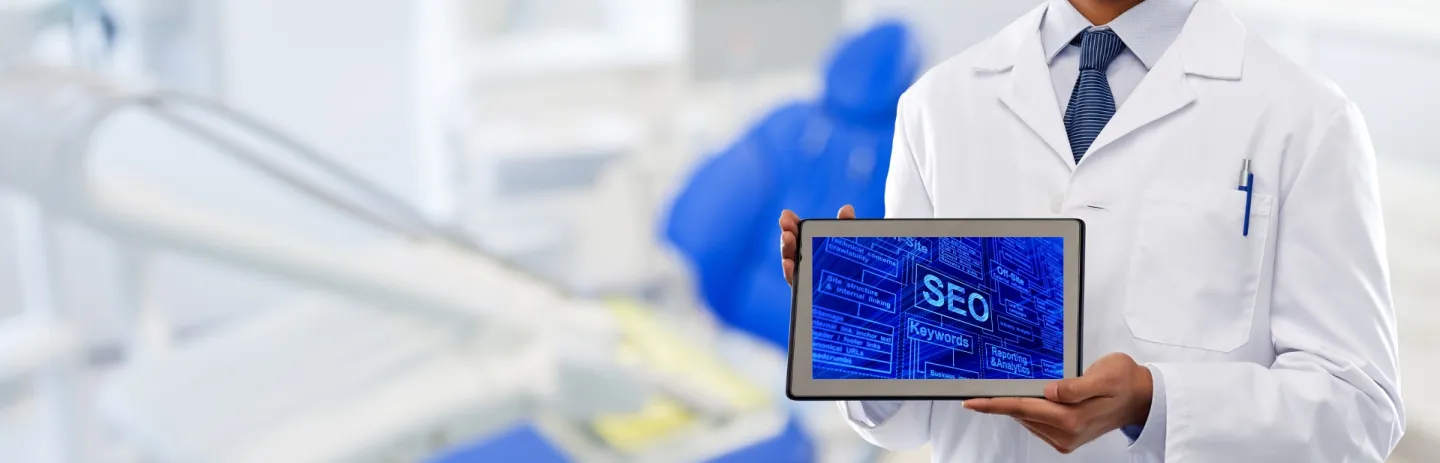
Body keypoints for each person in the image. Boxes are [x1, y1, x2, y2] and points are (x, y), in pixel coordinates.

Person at [776, 0, 1404, 461]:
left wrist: (1153, 403)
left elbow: (1361, 412)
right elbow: (907, 425)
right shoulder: (937, 105)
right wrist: (859, 324)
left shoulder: (1305, 119)